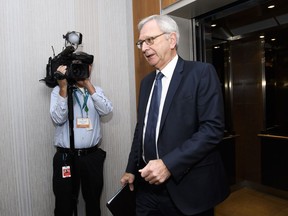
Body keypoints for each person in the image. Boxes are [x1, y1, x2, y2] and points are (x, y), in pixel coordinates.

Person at [120, 14, 229, 216]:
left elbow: (212, 130)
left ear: (171, 40)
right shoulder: (146, 83)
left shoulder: (201, 73)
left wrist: (169, 164)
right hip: (147, 189)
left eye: (150, 40)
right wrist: (131, 168)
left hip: (188, 190)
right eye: (141, 43)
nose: (144, 48)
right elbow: (142, 129)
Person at [50, 62, 113, 216]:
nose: (85, 69)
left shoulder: (96, 91)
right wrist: (64, 88)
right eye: (78, 66)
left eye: (88, 65)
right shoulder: (58, 91)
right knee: (64, 204)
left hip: (91, 157)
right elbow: (58, 118)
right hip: (66, 157)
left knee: (93, 202)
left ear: (91, 68)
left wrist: (88, 85)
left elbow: (107, 110)